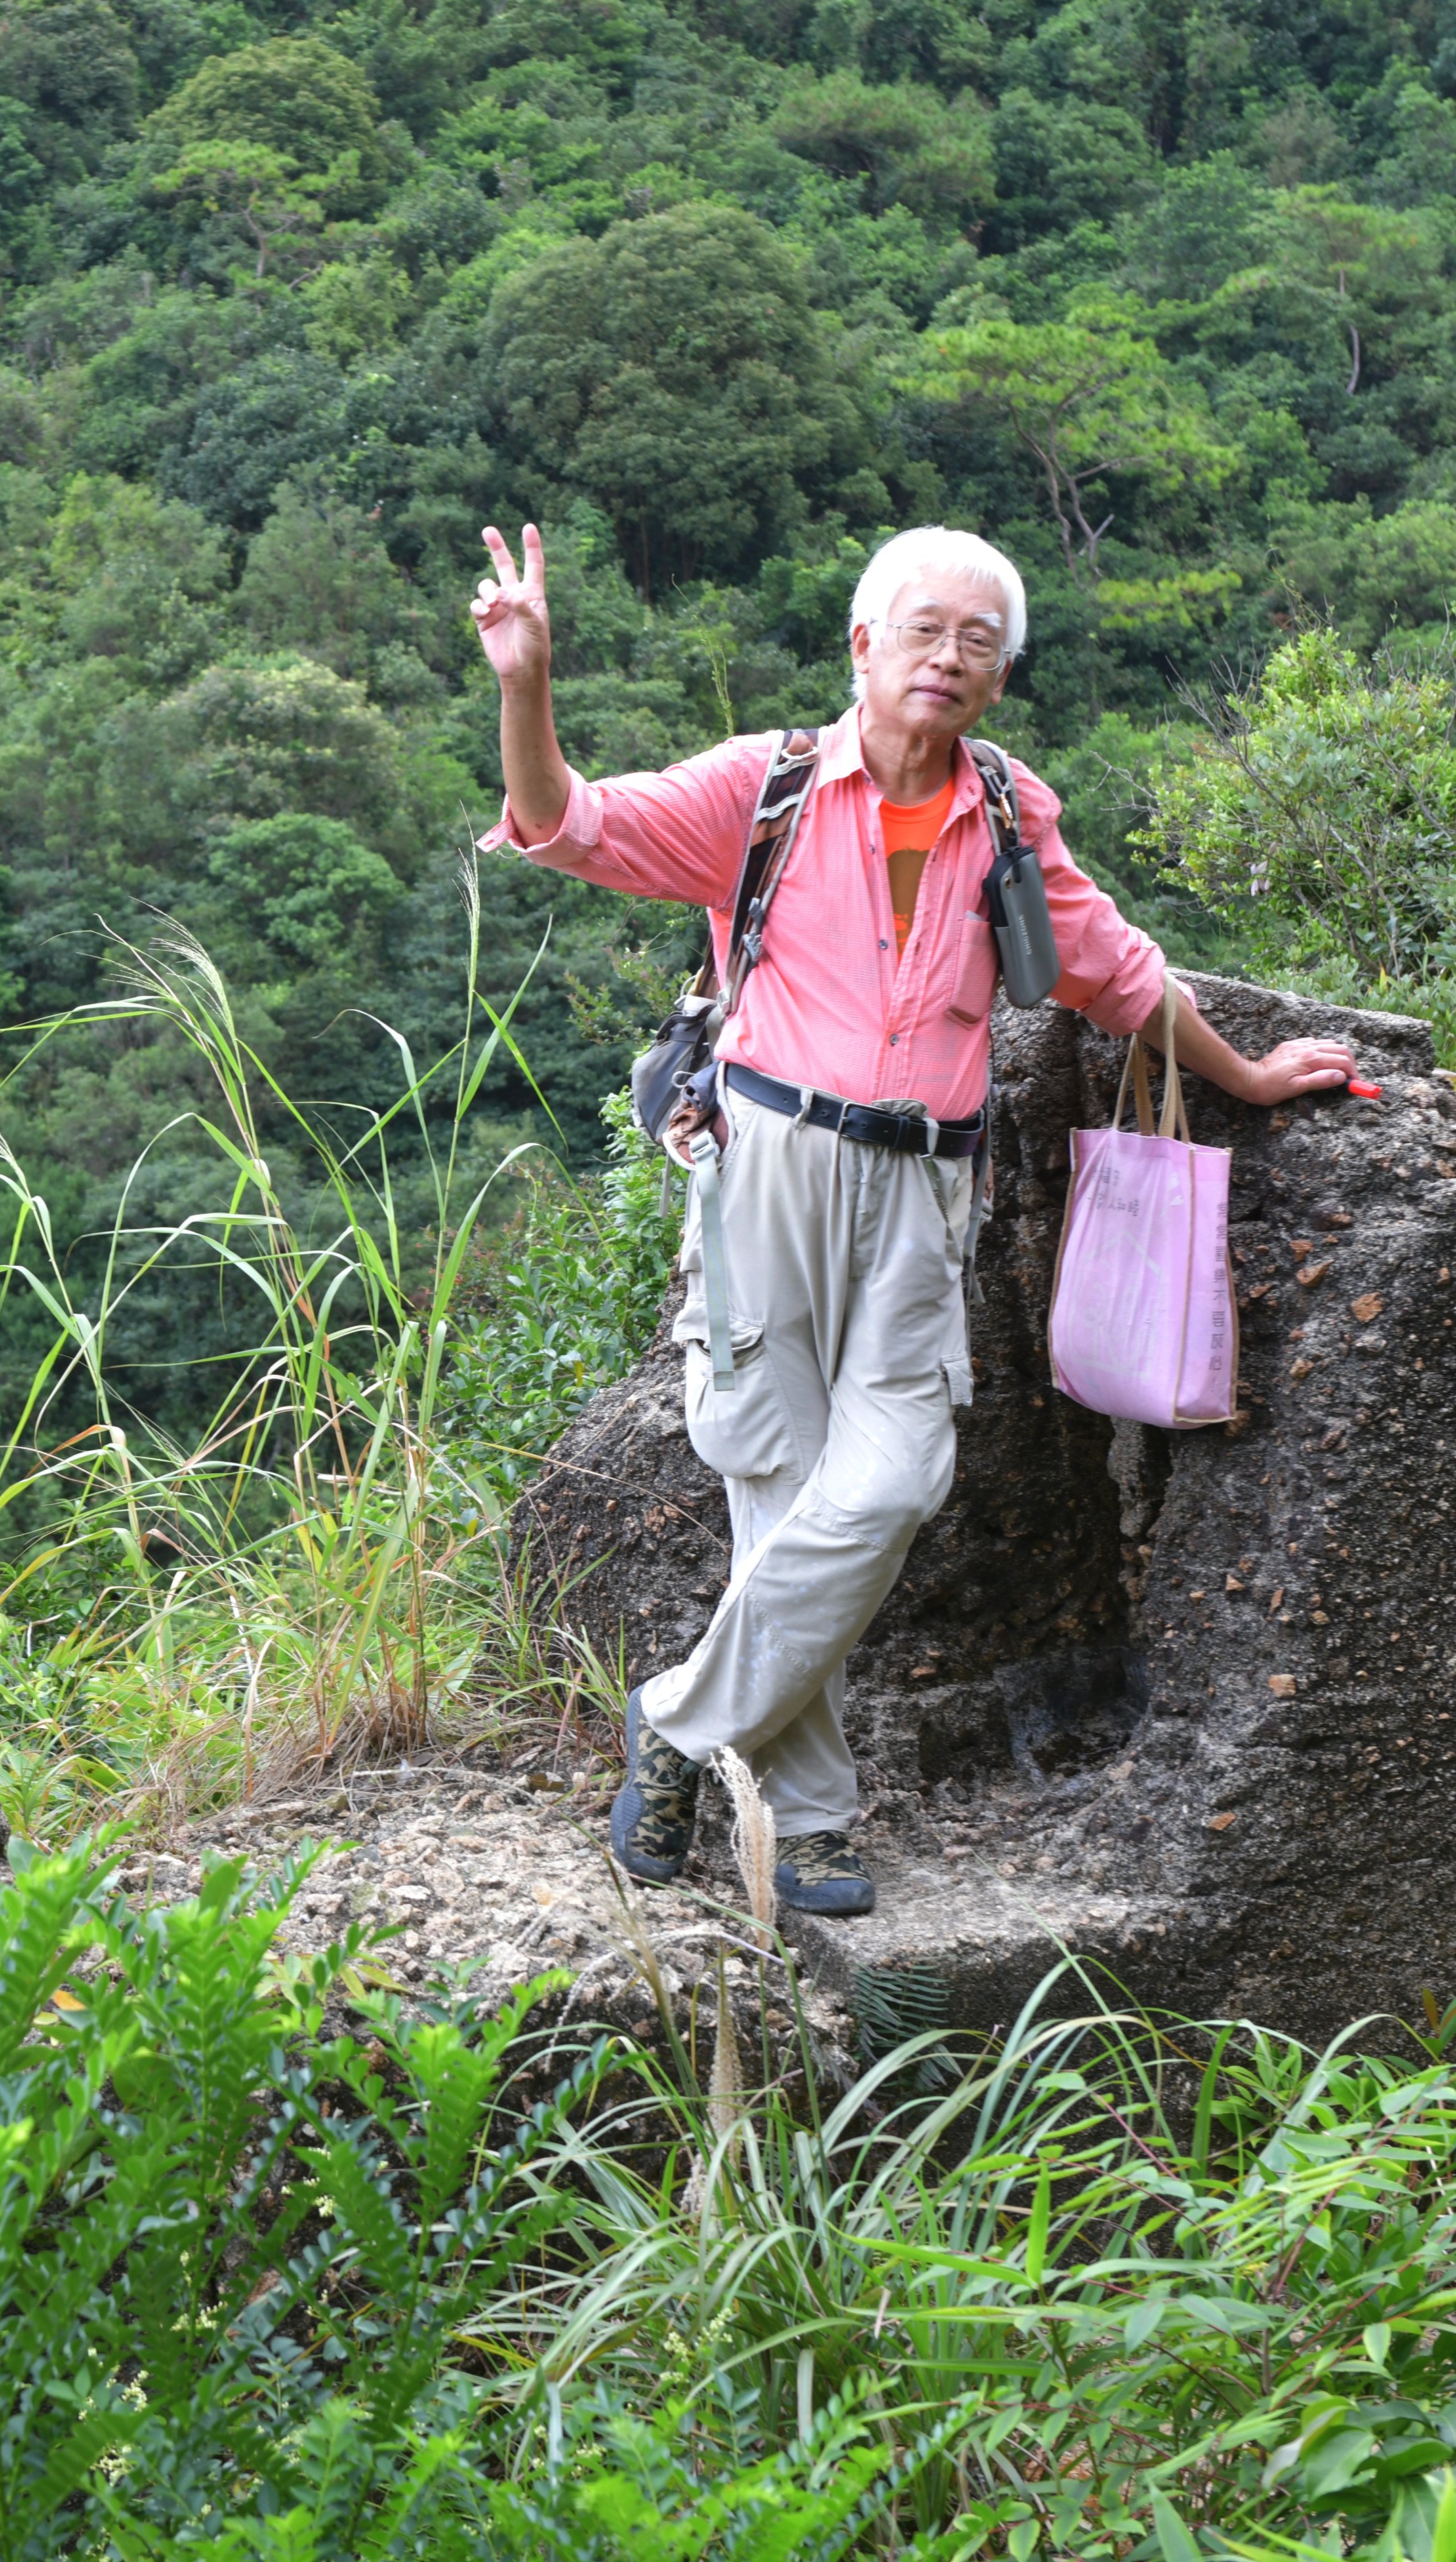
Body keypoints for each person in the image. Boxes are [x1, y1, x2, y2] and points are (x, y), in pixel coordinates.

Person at [472, 521, 1367, 1915]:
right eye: (923, 629)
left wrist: (1245, 1076)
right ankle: (816, 1820)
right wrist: (526, 685)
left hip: (921, 1188)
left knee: (892, 1479)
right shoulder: (764, 790)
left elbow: (1117, 969)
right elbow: (565, 824)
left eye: (977, 642)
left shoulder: (1007, 814)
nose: (947, 657)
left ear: (1000, 677)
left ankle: (681, 1722)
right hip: (768, 1165)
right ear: (864, 645)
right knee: (778, 1481)